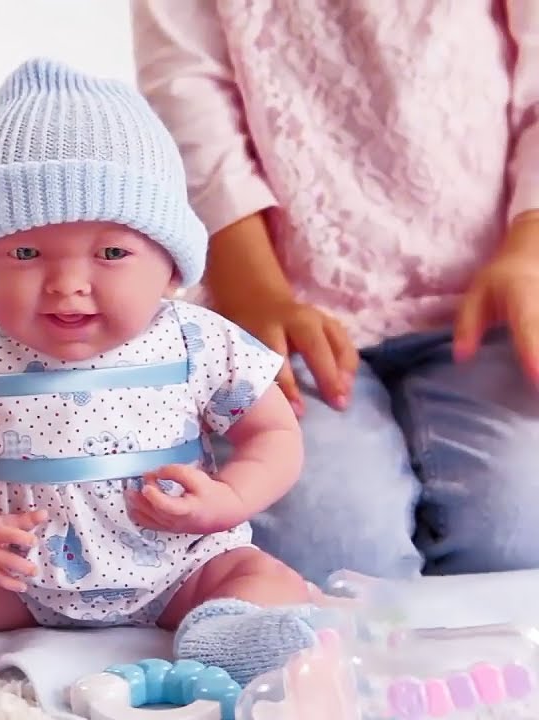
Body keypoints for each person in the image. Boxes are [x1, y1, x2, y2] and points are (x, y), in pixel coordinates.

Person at [0, 59, 321, 687]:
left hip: (181, 565)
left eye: (112, 253)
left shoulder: (198, 341)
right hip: (18, 575)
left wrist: (230, 500)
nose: (67, 284)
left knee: (258, 574)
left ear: (173, 267)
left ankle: (225, 631)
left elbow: (275, 434)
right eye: (24, 253)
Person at [131, 1, 539, 583]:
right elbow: (188, 104)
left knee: (521, 533)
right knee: (329, 554)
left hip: (486, 307)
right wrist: (255, 294)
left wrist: (529, 247)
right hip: (285, 315)